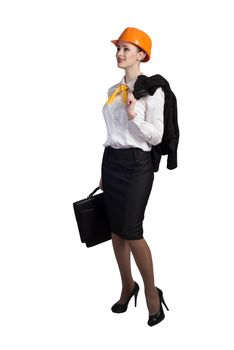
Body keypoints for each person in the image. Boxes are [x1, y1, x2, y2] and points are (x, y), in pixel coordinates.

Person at [99, 27, 169, 326]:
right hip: (112, 163)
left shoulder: (154, 91)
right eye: (119, 48)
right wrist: (102, 172)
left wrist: (134, 116)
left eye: (127, 49)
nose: (120, 53)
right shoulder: (112, 91)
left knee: (132, 231)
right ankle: (128, 285)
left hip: (137, 167)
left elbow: (156, 137)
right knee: (116, 230)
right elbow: (112, 136)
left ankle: (152, 294)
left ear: (142, 55)